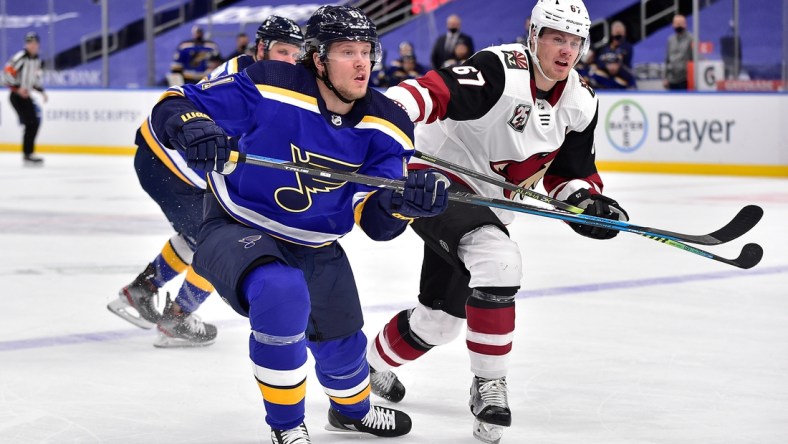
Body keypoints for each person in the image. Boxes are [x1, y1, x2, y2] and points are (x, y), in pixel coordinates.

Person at [148, 5, 449, 443]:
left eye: (367, 50)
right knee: (280, 291)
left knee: (342, 341)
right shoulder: (271, 84)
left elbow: (378, 222)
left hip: (316, 243)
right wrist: (192, 127)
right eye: (348, 51)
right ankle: (287, 428)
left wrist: (406, 203)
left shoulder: (390, 125)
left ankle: (351, 412)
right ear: (318, 58)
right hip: (236, 223)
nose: (362, 62)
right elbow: (173, 104)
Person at [369, 0, 629, 443]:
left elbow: (570, 173)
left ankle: (364, 367)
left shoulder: (581, 101)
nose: (565, 51)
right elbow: (427, 93)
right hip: (435, 179)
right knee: (498, 258)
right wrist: (378, 121)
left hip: (487, 204)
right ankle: (490, 388)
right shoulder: (499, 69)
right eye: (556, 38)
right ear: (534, 35)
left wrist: (587, 204)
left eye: (574, 41)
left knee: (439, 322)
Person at [107, 16, 306, 348]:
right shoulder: (247, 80)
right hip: (169, 165)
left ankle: (140, 292)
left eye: (294, 55)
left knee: (198, 234)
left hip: (163, 161)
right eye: (283, 52)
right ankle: (177, 318)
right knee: (222, 244)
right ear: (261, 49)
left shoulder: (252, 70)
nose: (289, 62)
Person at [3, 31, 47, 165]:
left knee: (33, 123)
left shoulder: (37, 60)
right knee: (31, 123)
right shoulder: (20, 57)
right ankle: (28, 154)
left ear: (38, 45)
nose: (32, 46)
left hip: (25, 96)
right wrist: (17, 88)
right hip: (16, 96)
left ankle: (28, 153)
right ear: (25, 44)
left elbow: (32, 79)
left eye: (34, 43)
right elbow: (7, 73)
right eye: (29, 43)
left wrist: (41, 91)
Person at [664, 14, 692, 90]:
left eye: (680, 23)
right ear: (673, 25)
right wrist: (665, 78)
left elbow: (694, 59)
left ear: (685, 24)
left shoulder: (691, 39)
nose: (678, 25)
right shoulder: (670, 39)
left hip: (684, 80)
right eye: (677, 23)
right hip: (671, 79)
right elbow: (667, 59)